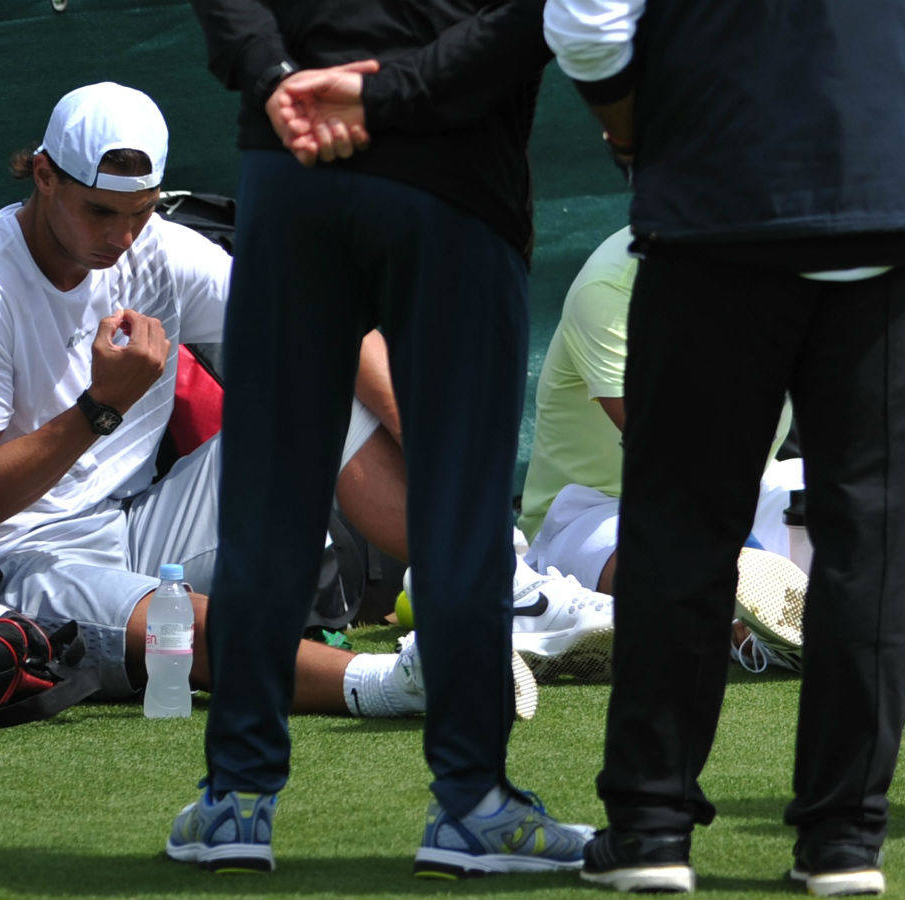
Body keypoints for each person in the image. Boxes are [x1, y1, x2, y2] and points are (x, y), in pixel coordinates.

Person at [544, 0, 905, 893]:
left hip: (717, 199)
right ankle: (843, 845)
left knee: (685, 527)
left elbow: (588, 23)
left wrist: (644, 139)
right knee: (874, 535)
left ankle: (651, 831)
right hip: (887, 196)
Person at [0, 83, 534, 724]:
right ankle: (400, 684)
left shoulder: (156, 250)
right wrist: (99, 409)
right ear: (44, 175)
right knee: (178, 625)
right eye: (100, 211)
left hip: (133, 526)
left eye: (139, 210)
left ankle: (502, 584)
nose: (122, 236)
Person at [176, 0, 592, 878]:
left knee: (270, 501)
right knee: (460, 511)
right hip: (449, 172)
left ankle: (237, 802)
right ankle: (473, 805)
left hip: (293, 161)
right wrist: (386, 92)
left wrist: (277, 81)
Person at [519, 228, 905, 675]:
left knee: (904, 558)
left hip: (752, 489)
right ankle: (749, 618)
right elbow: (667, 452)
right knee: (685, 566)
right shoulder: (616, 282)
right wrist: (749, 560)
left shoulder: (806, 253)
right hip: (600, 509)